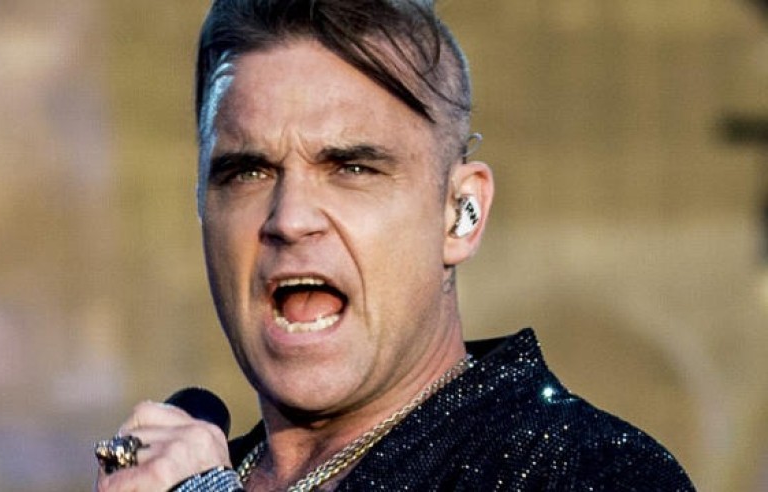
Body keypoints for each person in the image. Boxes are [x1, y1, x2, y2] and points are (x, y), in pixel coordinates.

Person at [95, 0, 695, 490]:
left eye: (352, 168)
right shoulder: (194, 472)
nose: (290, 218)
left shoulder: (592, 473)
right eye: (248, 171)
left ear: (459, 214)